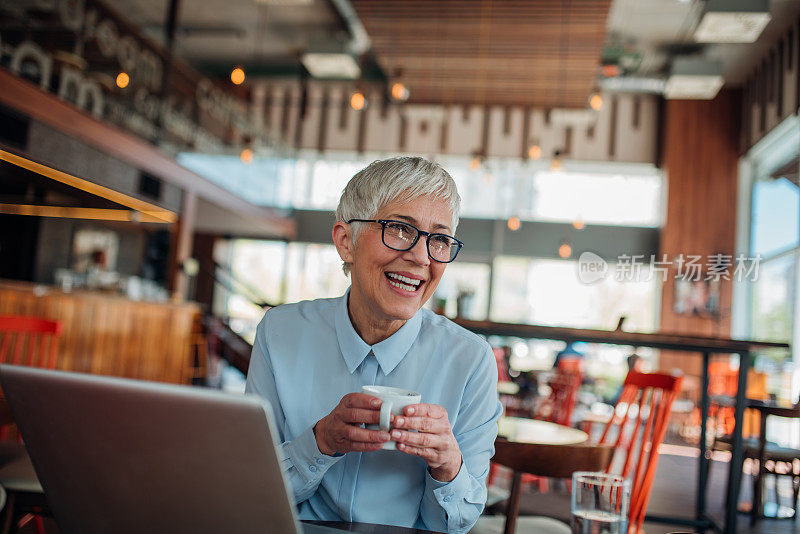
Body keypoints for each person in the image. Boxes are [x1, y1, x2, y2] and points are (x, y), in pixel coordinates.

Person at [245, 157, 502, 533]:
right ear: (346, 241)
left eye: (440, 240)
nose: (420, 256)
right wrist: (320, 442)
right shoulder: (280, 331)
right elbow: (252, 491)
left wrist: (448, 465)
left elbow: (456, 524)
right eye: (399, 229)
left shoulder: (470, 360)